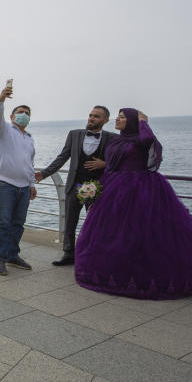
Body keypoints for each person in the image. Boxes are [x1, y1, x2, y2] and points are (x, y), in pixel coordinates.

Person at [75, 109, 192, 299]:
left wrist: (143, 122)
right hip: (114, 188)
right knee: (115, 232)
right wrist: (96, 190)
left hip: (142, 188)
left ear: (132, 122)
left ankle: (145, 274)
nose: (117, 119)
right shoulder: (116, 141)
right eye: (118, 116)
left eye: (122, 117)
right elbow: (112, 166)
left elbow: (150, 142)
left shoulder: (141, 140)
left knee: (142, 231)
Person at [35, 106, 116, 265]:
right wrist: (45, 173)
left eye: (96, 116)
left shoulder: (112, 138)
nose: (91, 118)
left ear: (105, 120)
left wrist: (105, 164)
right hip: (75, 184)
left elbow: (121, 161)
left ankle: (95, 253)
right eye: (90, 115)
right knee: (70, 220)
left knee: (96, 221)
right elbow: (62, 157)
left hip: (96, 186)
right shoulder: (74, 134)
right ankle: (68, 253)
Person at [0, 82, 37, 276]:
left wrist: (32, 184)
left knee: (18, 223)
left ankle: (12, 254)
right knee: (3, 222)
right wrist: (1, 98)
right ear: (11, 116)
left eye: (27, 113)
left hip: (24, 187)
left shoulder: (29, 139)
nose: (24, 115)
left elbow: (29, 163)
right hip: (3, 184)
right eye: (20, 111)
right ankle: (0, 258)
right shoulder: (4, 130)